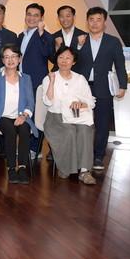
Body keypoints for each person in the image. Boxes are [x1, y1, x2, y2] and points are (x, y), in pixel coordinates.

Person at [73, 7, 127, 170]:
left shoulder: (113, 41)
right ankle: (80, 155)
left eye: (98, 19)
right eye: (91, 19)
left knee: (102, 124)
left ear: (104, 22)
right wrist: (78, 46)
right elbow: (71, 62)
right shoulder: (80, 40)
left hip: (104, 88)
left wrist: (123, 85)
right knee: (80, 121)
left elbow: (120, 65)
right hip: (82, 89)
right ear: (87, 21)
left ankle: (98, 156)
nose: (94, 23)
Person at [0, 44, 38, 184]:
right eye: (6, 57)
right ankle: (11, 168)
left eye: (14, 56)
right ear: (2, 60)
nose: (10, 60)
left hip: (21, 116)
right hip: (1, 116)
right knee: (10, 130)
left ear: (19, 59)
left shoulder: (26, 78)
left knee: (25, 129)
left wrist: (24, 116)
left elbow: (30, 102)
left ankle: (23, 168)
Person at [42, 46, 97, 184]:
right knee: (69, 131)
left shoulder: (80, 79)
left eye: (68, 58)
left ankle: (84, 171)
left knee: (85, 130)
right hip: (56, 118)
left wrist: (80, 104)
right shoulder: (49, 78)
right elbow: (48, 102)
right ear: (56, 60)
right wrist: (52, 82)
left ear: (73, 62)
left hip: (76, 116)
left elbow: (91, 102)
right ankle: (65, 167)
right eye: (61, 57)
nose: (64, 61)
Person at [17, 3, 54, 91]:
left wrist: (41, 34)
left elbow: (48, 54)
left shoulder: (46, 36)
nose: (31, 18)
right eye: (29, 14)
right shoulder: (21, 36)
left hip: (36, 82)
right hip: (19, 80)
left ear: (41, 18)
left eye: (36, 15)